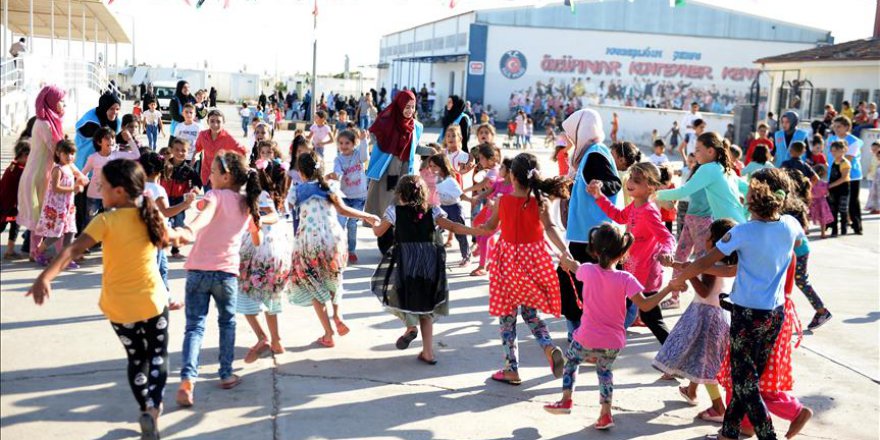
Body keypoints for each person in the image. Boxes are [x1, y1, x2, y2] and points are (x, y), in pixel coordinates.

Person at [28, 158, 178, 440]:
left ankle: (143, 405)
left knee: (136, 358)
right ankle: (153, 409)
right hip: (152, 302)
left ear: (119, 191)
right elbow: (173, 238)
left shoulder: (105, 220)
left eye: (104, 185)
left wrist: (45, 277)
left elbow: (73, 250)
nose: (99, 186)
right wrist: (186, 232)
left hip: (119, 307)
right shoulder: (150, 215)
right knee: (157, 355)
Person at [669, 167, 806, 440]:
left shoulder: (742, 232)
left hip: (747, 316)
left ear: (751, 200)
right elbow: (798, 245)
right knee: (747, 379)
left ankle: (767, 435)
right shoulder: (791, 224)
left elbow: (705, 261)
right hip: (774, 315)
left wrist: (680, 277)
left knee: (744, 383)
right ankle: (729, 433)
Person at [545, 223, 675, 430]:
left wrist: (565, 260)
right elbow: (646, 305)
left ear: (594, 250)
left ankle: (566, 399)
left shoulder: (587, 271)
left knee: (571, 362)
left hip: (585, 337)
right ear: (622, 253)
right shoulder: (626, 278)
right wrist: (669, 288)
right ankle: (605, 414)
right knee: (604, 372)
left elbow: (573, 265)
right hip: (613, 342)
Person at [456, 153, 572, 386]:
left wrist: (463, 228)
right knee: (531, 314)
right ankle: (548, 347)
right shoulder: (541, 201)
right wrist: (565, 252)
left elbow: (489, 228)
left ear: (511, 176)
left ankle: (511, 368)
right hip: (532, 263)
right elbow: (551, 228)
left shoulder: (502, 201)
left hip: (507, 265)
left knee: (507, 317)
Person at [173, 152, 263, 407]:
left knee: (194, 327)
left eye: (213, 171)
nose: (209, 175)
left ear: (226, 177)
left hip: (198, 271)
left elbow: (205, 214)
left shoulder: (215, 196)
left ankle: (188, 380)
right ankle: (225, 374)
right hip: (226, 273)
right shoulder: (247, 204)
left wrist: (189, 229)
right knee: (227, 323)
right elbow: (256, 237)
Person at [287, 151, 380, 348]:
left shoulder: (297, 190)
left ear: (301, 173)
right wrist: (368, 216)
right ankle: (338, 315)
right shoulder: (329, 187)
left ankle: (328, 333)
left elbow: (287, 208)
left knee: (314, 286)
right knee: (334, 279)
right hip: (333, 240)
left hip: (309, 243)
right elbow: (343, 210)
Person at [371, 175, 462, 364]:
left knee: (403, 296)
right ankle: (428, 353)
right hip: (429, 266)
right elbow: (453, 226)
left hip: (406, 264)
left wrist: (373, 222)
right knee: (426, 308)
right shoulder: (433, 210)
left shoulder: (394, 211)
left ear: (399, 193)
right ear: (423, 193)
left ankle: (411, 327)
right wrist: (480, 231)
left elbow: (379, 232)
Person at [656, 219, 736, 424]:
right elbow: (690, 266)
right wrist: (673, 264)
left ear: (715, 241)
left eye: (708, 235)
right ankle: (691, 391)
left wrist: (688, 275)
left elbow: (704, 290)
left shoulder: (712, 266)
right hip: (714, 314)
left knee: (706, 363)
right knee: (701, 355)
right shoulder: (722, 263)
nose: (704, 238)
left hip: (707, 316)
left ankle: (718, 407)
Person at [590, 162, 676, 345]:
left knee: (651, 318)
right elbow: (619, 216)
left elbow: (667, 237)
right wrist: (599, 196)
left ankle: (674, 352)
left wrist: (666, 252)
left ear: (650, 187)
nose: (630, 182)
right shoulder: (635, 206)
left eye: (637, 180)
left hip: (646, 274)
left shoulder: (649, 211)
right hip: (632, 270)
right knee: (626, 310)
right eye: (630, 178)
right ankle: (605, 342)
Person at [557, 109, 622, 338]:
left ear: (581, 130)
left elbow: (614, 183)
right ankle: (582, 329)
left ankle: (581, 331)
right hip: (586, 231)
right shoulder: (588, 154)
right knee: (577, 280)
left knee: (574, 280)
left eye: (571, 133)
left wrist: (600, 187)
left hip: (592, 234)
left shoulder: (595, 154)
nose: (570, 138)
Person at [238, 149, 292, 363]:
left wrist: (258, 219)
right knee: (271, 298)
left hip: (259, 250)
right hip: (276, 250)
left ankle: (262, 337)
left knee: (244, 297)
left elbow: (272, 215)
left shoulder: (262, 195)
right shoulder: (279, 196)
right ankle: (276, 340)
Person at [17, 86, 66, 261]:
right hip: (39, 175)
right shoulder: (45, 123)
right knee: (41, 216)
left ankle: (35, 251)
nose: (64, 104)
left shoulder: (49, 120)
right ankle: (35, 252)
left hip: (40, 172)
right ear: (51, 102)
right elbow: (56, 148)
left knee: (41, 215)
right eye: (61, 101)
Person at [657, 132, 747, 224]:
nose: (694, 153)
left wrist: (655, 194)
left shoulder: (708, 168)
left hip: (730, 227)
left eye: (697, 150)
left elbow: (682, 192)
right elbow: (748, 188)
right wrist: (747, 213)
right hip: (740, 223)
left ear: (710, 151)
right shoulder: (727, 170)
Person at [139, 152, 194, 293]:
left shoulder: (138, 187)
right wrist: (185, 204)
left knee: (162, 267)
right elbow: (166, 212)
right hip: (156, 234)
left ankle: (165, 294)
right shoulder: (157, 189)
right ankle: (159, 297)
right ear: (160, 171)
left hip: (143, 233)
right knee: (156, 270)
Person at [365, 90, 422, 216]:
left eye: (413, 107)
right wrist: (364, 141)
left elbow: (415, 148)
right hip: (387, 170)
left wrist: (432, 151)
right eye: (407, 107)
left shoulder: (417, 127)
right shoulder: (387, 123)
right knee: (384, 205)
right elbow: (374, 139)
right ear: (400, 105)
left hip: (405, 172)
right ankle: (382, 226)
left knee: (402, 203)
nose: (410, 110)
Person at [33, 139, 87, 267]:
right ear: (58, 153)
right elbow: (56, 188)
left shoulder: (69, 167)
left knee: (70, 231)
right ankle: (38, 252)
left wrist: (80, 181)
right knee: (56, 234)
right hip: (57, 208)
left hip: (68, 206)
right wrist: (73, 189)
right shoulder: (58, 169)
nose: (69, 157)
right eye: (66, 154)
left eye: (72, 154)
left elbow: (78, 178)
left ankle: (65, 259)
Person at [74, 92, 122, 232]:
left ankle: (98, 234)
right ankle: (82, 234)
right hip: (84, 166)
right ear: (104, 107)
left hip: (102, 170)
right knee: (84, 205)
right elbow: (104, 139)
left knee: (102, 205)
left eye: (117, 109)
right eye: (111, 109)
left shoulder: (116, 121)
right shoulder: (91, 122)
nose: (115, 112)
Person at [81, 127, 140, 225]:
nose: (111, 140)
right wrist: (84, 180)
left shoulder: (117, 155)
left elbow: (136, 155)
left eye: (112, 138)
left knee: (111, 222)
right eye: (107, 138)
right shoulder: (93, 158)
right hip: (94, 195)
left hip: (111, 197)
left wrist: (130, 139)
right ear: (99, 142)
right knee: (90, 222)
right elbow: (83, 173)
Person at [327, 129, 370, 263]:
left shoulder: (358, 155)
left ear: (353, 143)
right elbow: (337, 171)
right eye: (341, 143)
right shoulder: (338, 159)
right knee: (340, 223)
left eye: (347, 143)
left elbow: (365, 157)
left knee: (352, 224)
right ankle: (339, 249)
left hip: (358, 197)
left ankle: (351, 250)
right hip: (344, 197)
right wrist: (335, 176)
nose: (344, 146)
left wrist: (363, 140)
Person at [824, 116, 863, 235]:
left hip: (851, 176)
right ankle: (831, 224)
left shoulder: (853, 141)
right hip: (833, 174)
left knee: (852, 202)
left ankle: (857, 226)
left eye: (839, 126)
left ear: (847, 127)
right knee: (832, 201)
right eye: (834, 126)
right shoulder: (831, 139)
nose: (836, 129)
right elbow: (828, 157)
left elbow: (848, 159)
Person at [429, 154, 470, 266]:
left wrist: (471, 200)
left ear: (442, 166)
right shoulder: (435, 179)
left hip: (454, 208)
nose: (432, 169)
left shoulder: (450, 180)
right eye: (430, 166)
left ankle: (466, 256)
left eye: (434, 166)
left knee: (460, 233)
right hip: (441, 208)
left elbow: (461, 195)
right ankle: (434, 256)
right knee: (435, 231)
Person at [195, 109, 246, 189]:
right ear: (207, 122)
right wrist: (192, 160)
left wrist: (234, 167)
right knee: (208, 197)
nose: (215, 124)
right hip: (207, 176)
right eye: (212, 121)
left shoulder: (227, 137)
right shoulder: (202, 135)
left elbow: (242, 151)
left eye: (218, 122)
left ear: (223, 123)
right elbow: (197, 148)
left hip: (222, 179)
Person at [1, 140, 30, 259]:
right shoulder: (19, 170)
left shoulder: (14, 166)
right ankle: (9, 251)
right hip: (8, 206)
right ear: (23, 155)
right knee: (4, 226)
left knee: (15, 226)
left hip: (10, 205)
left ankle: (10, 251)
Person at [827, 141, 851, 237]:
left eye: (835, 151)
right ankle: (834, 230)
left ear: (842, 150)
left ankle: (844, 229)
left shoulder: (845, 163)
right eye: (832, 151)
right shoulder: (834, 162)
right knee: (833, 209)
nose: (833, 153)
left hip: (843, 189)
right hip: (833, 189)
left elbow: (844, 178)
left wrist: (830, 185)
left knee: (843, 209)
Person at [809, 164, 833, 239]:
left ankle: (805, 230)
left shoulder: (810, 183)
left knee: (808, 216)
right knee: (823, 218)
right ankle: (823, 233)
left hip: (811, 201)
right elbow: (827, 193)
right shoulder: (824, 184)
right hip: (822, 202)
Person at [865, 142, 880, 214]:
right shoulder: (874, 156)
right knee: (872, 194)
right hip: (872, 178)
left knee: (877, 194)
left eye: (876, 149)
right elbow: (871, 165)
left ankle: (877, 208)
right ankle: (874, 207)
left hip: (877, 179)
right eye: (872, 149)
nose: (874, 150)